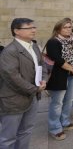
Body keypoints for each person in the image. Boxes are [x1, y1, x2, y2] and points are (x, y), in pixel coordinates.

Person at [0, 18, 46, 148]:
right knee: (8, 138)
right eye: (29, 28)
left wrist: (44, 80)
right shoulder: (9, 51)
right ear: (17, 31)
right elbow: (12, 77)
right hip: (13, 101)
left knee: (26, 131)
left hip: (32, 97)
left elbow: (42, 65)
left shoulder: (34, 46)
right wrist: (35, 89)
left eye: (34, 27)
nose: (34, 30)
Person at [46, 18, 73, 140]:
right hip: (59, 76)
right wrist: (72, 69)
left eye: (70, 27)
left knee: (70, 99)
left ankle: (64, 120)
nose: (69, 29)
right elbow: (58, 59)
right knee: (57, 102)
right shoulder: (53, 42)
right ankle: (54, 127)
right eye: (65, 27)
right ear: (58, 29)